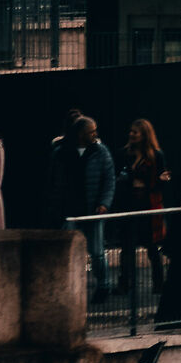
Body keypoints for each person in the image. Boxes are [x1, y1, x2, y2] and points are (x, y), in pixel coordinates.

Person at [46, 115, 117, 294]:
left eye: (94, 131)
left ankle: (103, 285)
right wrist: (55, 206)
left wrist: (104, 203)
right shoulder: (61, 152)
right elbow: (53, 181)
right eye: (90, 132)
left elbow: (109, 181)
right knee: (66, 249)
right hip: (69, 209)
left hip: (92, 209)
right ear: (80, 134)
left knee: (97, 252)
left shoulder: (101, 152)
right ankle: (67, 285)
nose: (94, 135)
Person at [115, 117, 172, 295]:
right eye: (131, 131)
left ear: (144, 135)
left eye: (135, 132)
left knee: (152, 246)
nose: (131, 134)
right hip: (129, 203)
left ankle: (158, 283)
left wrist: (160, 180)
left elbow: (162, 180)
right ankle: (125, 283)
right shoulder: (124, 154)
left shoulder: (156, 156)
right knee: (127, 247)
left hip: (148, 204)